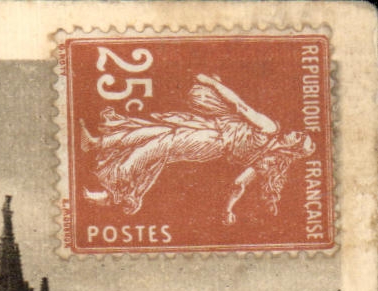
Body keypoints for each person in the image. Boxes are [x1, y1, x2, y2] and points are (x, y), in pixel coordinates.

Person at [80, 73, 314, 223]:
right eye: (301, 134)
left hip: (214, 141)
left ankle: (112, 190)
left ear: (293, 147)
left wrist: (212, 83)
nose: (296, 133)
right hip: (211, 127)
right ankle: (99, 143)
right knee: (158, 129)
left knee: (164, 144)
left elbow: (241, 107)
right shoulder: (268, 159)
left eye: (299, 137)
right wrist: (228, 210)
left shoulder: (271, 130)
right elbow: (239, 185)